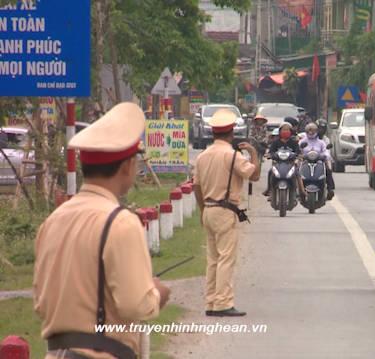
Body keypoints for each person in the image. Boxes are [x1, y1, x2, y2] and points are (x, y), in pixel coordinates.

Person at [33, 103, 171, 359]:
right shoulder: (121, 223)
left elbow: (41, 303)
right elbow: (135, 305)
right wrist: (157, 293)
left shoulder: (52, 221)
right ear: (128, 166)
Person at [193, 109, 261, 317]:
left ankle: (211, 301)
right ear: (231, 133)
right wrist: (254, 153)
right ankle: (223, 302)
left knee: (212, 258)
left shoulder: (202, 156)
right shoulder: (233, 156)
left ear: (213, 133)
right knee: (226, 258)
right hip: (225, 211)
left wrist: (202, 209)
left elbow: (196, 186)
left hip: (208, 209)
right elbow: (255, 176)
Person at [299, 122, 335, 200]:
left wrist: (325, 155)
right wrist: (299, 155)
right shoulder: (302, 141)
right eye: (309, 130)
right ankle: (297, 190)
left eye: (313, 130)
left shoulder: (321, 142)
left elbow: (325, 151)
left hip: (318, 161)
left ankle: (330, 189)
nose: (311, 132)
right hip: (305, 161)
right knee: (296, 172)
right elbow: (298, 149)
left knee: (328, 170)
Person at [263, 122, 300, 197]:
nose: (285, 132)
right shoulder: (276, 142)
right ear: (279, 131)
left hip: (290, 163)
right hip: (278, 163)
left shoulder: (294, 142)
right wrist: (270, 155)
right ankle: (269, 190)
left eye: (287, 130)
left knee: (297, 173)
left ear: (291, 131)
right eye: (283, 130)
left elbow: (298, 152)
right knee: (271, 172)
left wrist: (298, 156)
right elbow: (271, 151)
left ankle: (298, 191)